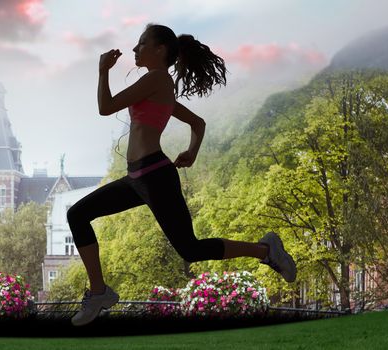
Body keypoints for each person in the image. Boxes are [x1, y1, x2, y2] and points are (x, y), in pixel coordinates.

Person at [67, 23, 297, 327]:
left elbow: (105, 107)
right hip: (137, 178)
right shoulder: (158, 87)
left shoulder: (157, 78)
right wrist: (192, 152)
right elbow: (198, 123)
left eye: (141, 43)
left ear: (159, 49)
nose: (135, 49)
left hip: (155, 176)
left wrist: (103, 70)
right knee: (78, 214)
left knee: (189, 248)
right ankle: (99, 293)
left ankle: (266, 250)